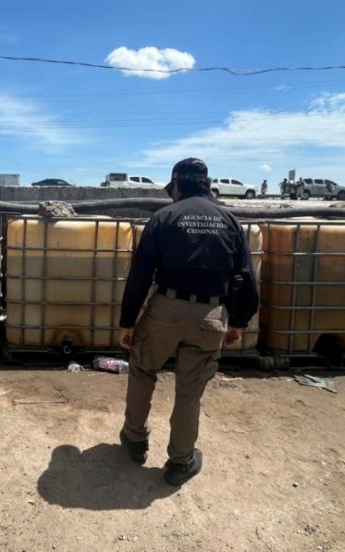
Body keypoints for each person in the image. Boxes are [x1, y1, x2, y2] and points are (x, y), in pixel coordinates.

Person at [118, 157, 259, 487]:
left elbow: (140, 275)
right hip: (211, 316)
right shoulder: (230, 221)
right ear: (206, 186)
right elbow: (245, 278)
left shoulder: (163, 218)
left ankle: (135, 440)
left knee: (143, 369)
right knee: (189, 392)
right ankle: (180, 462)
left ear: (177, 186)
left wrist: (128, 321)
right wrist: (238, 322)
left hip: (165, 310)